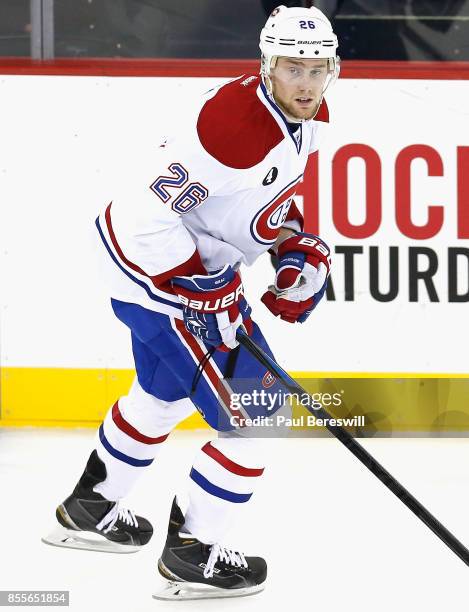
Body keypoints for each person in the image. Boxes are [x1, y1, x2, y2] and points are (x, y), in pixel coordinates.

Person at [43, 5, 339, 600]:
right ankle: (190, 555)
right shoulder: (230, 128)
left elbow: (255, 198)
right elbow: (146, 214)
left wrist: (290, 245)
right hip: (152, 273)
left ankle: (89, 510)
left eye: (317, 67)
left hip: (171, 273)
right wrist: (201, 292)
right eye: (292, 67)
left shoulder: (299, 114)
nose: (306, 82)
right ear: (266, 65)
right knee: (259, 417)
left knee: (161, 393)